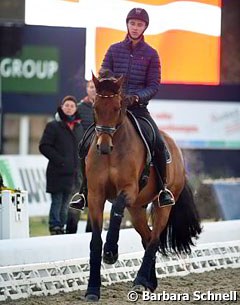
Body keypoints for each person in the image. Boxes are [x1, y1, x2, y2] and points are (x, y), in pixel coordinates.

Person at [70, 7, 174, 210]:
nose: (135, 28)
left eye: (140, 24)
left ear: (145, 27)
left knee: (157, 141)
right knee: (85, 143)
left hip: (137, 107)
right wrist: (109, 84)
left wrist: (136, 96)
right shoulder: (114, 49)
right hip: (113, 107)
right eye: (132, 23)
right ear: (127, 25)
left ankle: (162, 189)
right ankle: (83, 191)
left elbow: (153, 85)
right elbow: (103, 73)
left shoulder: (151, 54)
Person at [39, 95, 84, 235]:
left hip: (74, 174)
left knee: (66, 204)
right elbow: (44, 146)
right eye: (67, 105)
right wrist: (60, 160)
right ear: (61, 107)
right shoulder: (53, 125)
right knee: (57, 201)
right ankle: (54, 226)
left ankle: (62, 227)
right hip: (57, 172)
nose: (69, 108)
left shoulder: (78, 127)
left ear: (76, 108)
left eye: (72, 106)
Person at [66, 80, 96, 234]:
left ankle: (91, 233)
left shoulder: (105, 107)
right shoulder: (79, 107)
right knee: (77, 193)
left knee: (96, 196)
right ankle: (70, 232)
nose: (93, 90)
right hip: (81, 159)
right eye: (91, 87)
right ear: (87, 89)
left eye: (95, 87)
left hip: (100, 159)